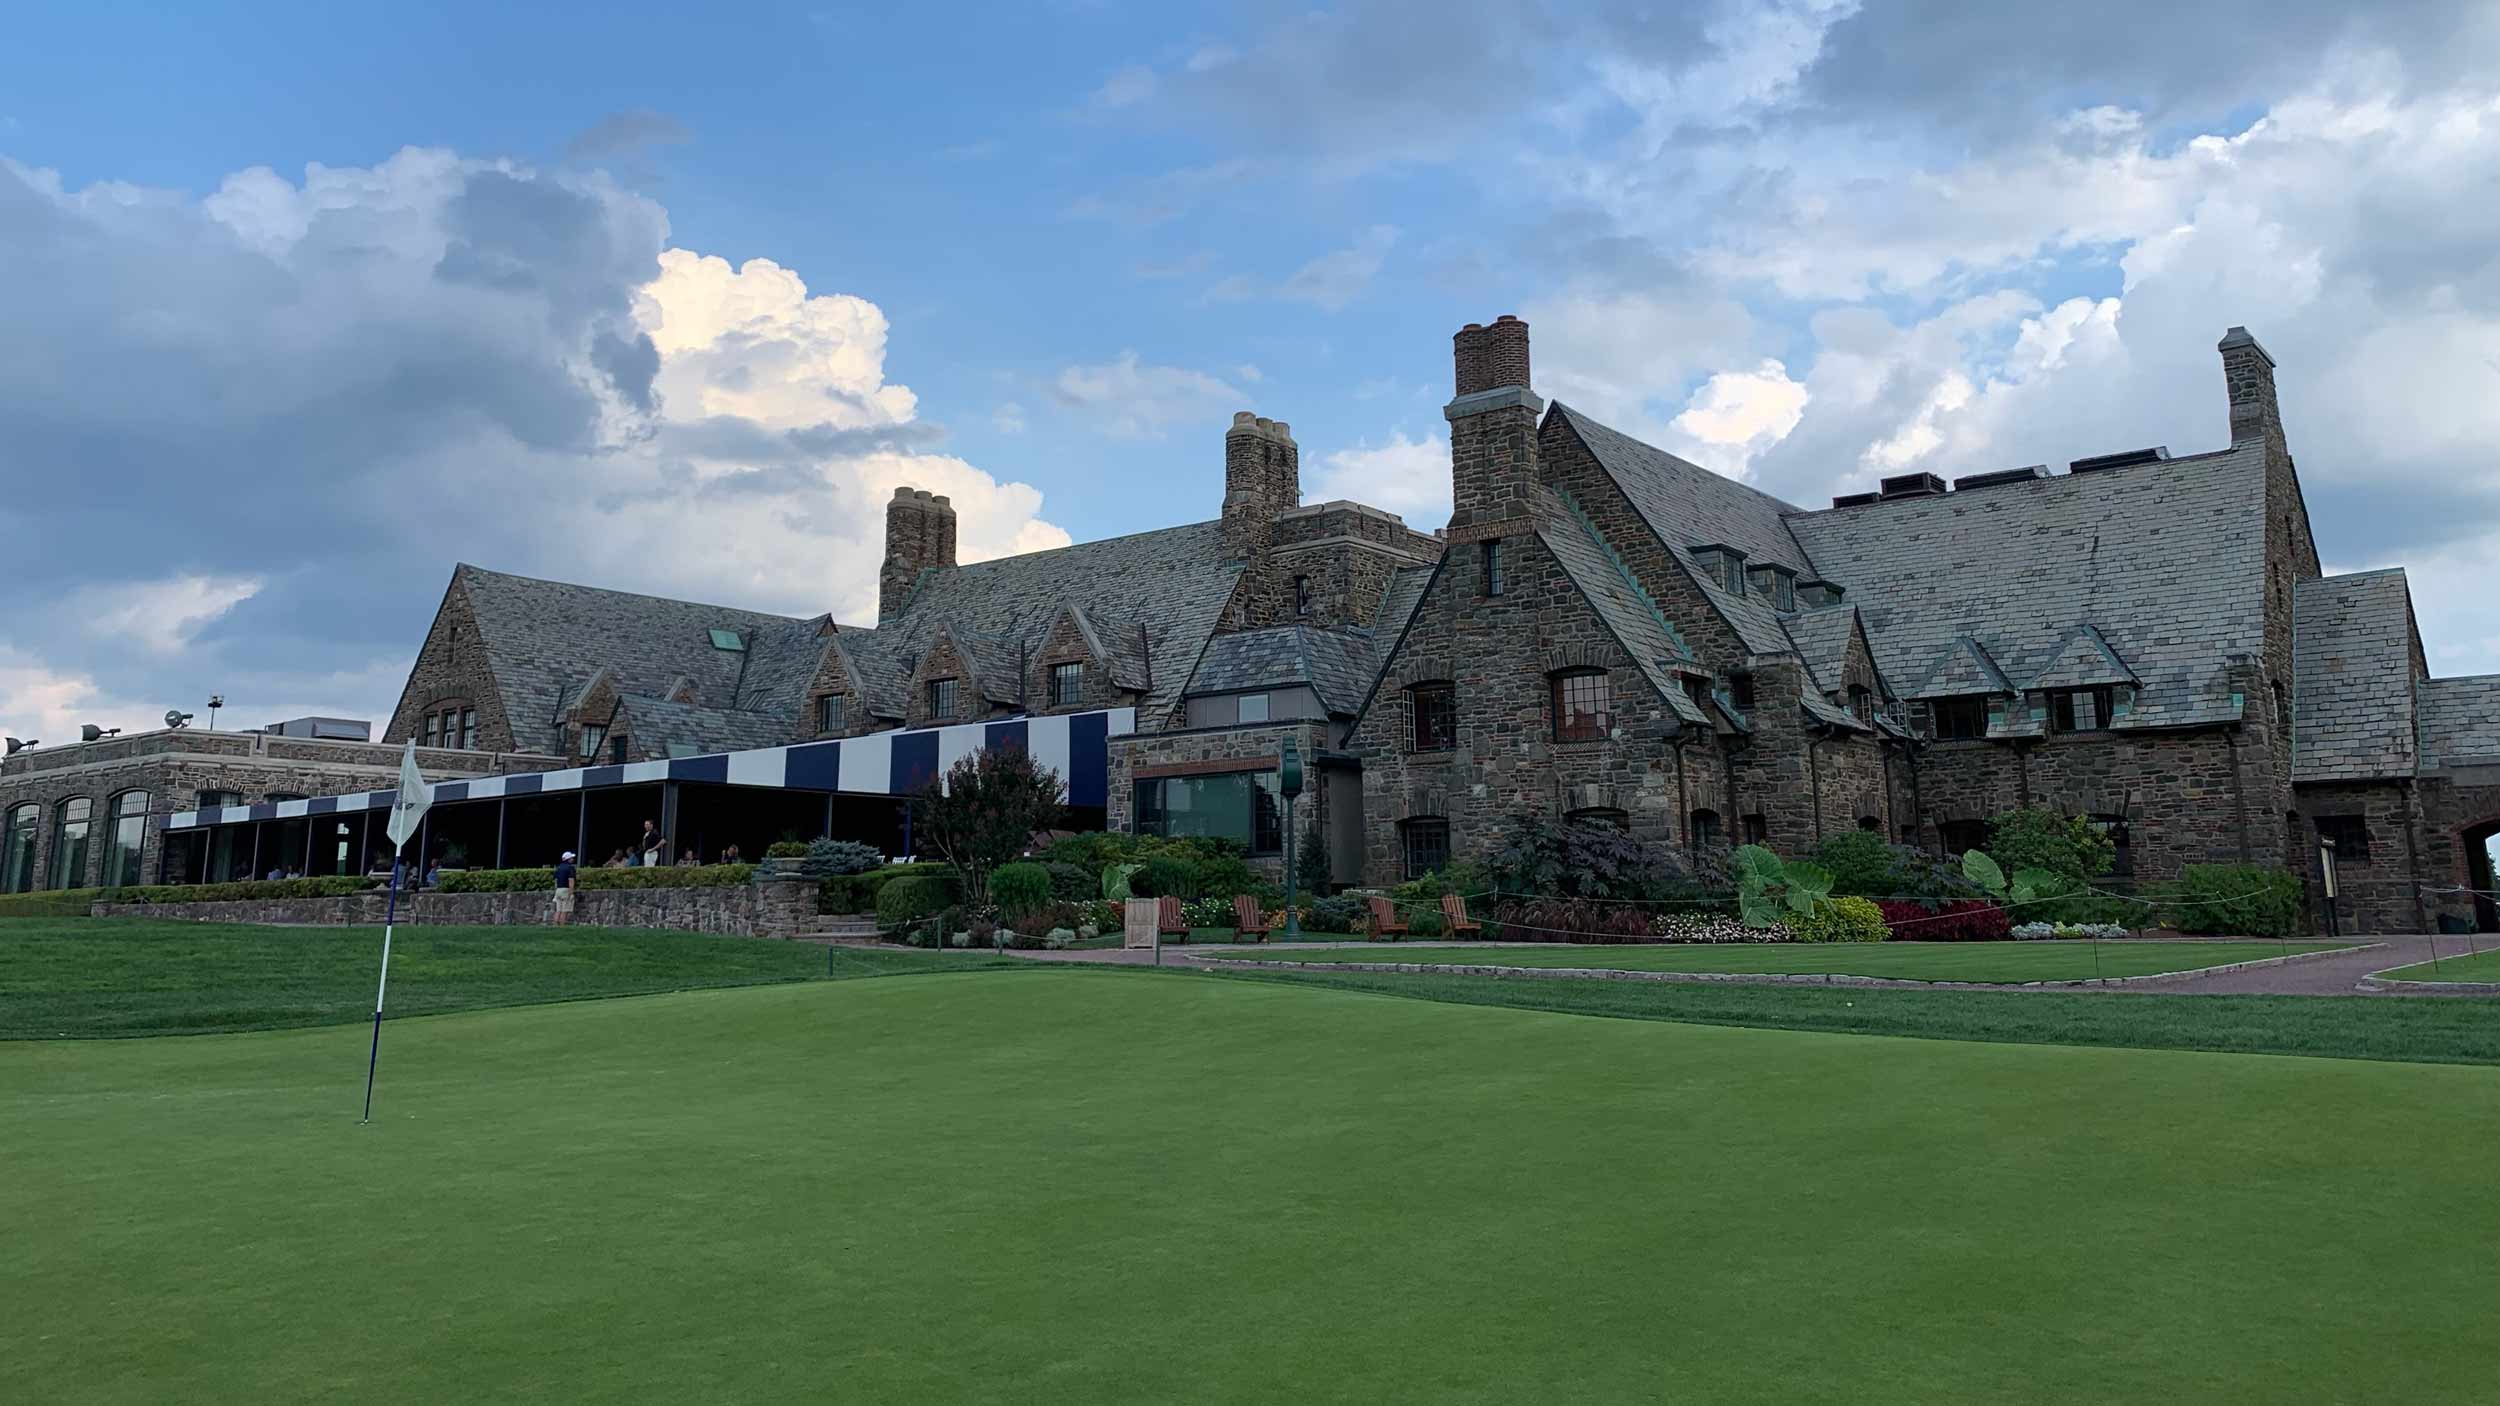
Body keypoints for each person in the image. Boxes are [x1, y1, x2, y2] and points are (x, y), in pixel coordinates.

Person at [551, 850, 579, 927]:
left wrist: (556, 890)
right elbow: (571, 881)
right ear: (568, 859)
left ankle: (555, 925)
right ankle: (562, 926)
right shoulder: (570, 868)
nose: (573, 859)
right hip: (566, 890)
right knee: (564, 910)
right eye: (571, 858)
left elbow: (556, 881)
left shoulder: (558, 868)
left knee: (558, 910)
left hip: (558, 890)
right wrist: (571, 893)